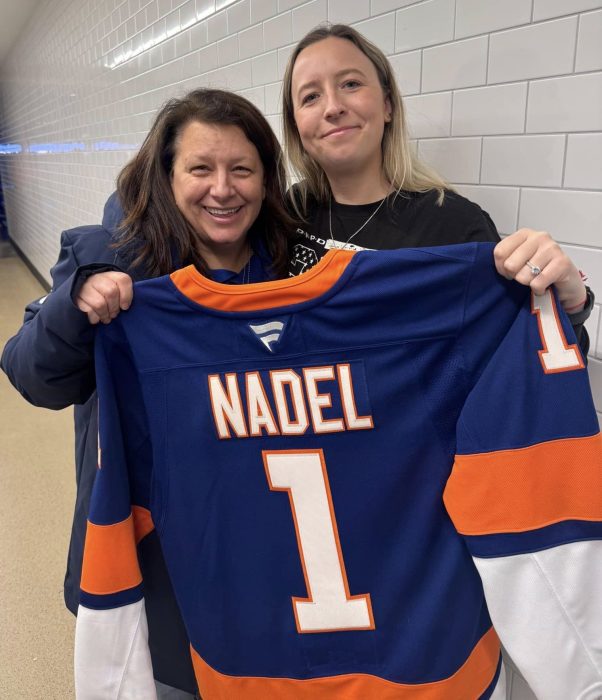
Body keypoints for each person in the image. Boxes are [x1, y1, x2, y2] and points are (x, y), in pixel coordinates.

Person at [1, 87, 294, 699]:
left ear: (266, 181)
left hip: (259, 547)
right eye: (200, 169)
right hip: (152, 554)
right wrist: (74, 305)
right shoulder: (112, 259)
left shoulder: (294, 275)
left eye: (242, 169)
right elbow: (31, 373)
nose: (223, 188)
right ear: (165, 177)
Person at [282, 23, 594, 352]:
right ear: (296, 124)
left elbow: (527, 357)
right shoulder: (293, 210)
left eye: (350, 83)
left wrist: (572, 305)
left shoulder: (455, 225)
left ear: (387, 105)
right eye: (311, 96)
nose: (333, 107)